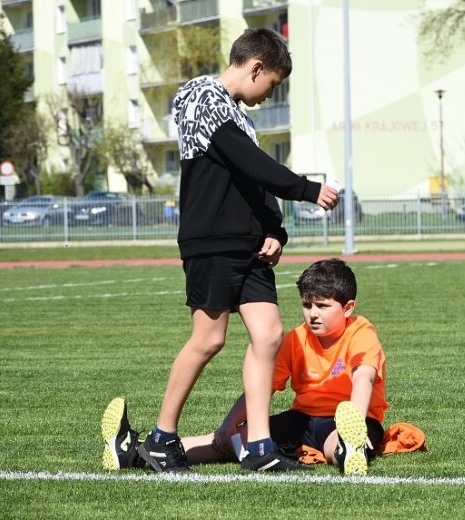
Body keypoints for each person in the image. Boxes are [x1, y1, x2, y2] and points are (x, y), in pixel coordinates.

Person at [131, 28, 339, 473]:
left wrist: (276, 232)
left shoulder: (239, 117)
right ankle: (161, 437)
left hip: (249, 248)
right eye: (273, 84)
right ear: (256, 67)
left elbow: (252, 180)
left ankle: (260, 448)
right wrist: (307, 189)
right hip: (212, 242)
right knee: (209, 339)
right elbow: (251, 163)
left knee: (267, 335)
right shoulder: (201, 95)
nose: (270, 94)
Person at [102, 259, 388, 476]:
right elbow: (262, 388)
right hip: (301, 419)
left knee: (334, 448)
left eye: (322, 306)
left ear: (348, 308)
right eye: (307, 305)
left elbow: (364, 377)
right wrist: (228, 427)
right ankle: (132, 453)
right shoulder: (295, 338)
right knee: (233, 441)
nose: (313, 314)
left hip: (350, 421)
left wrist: (355, 424)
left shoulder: (361, 331)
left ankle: (349, 445)